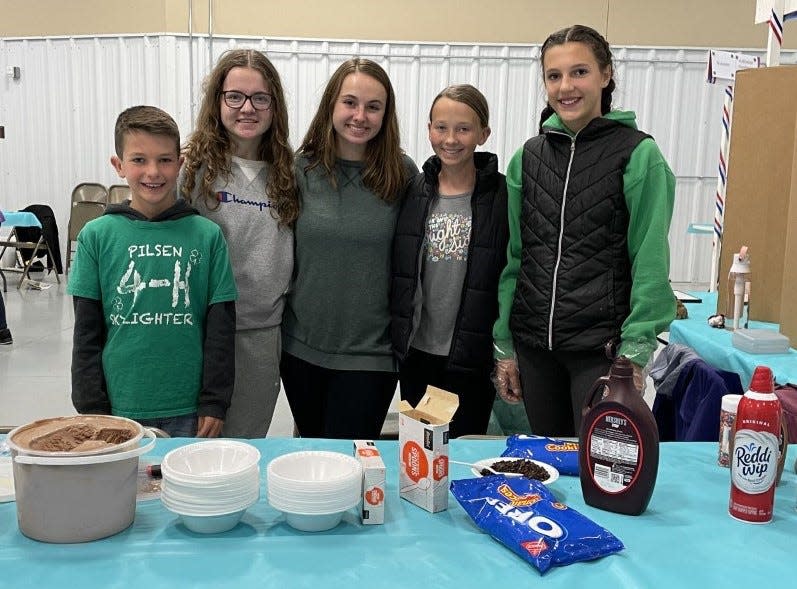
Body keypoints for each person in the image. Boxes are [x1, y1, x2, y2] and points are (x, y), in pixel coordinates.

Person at [492, 25, 676, 437]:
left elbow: (649, 261)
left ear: (606, 74)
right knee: (545, 468)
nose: (565, 87)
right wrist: (504, 343)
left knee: (598, 471)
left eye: (579, 72)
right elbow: (516, 259)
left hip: (601, 353)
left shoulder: (638, 155)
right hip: (535, 350)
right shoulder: (529, 157)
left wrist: (636, 352)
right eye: (554, 76)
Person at [69, 105, 238, 438]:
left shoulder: (207, 236)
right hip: (119, 409)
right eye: (138, 160)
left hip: (189, 410)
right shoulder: (96, 237)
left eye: (164, 159)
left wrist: (214, 402)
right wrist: (92, 408)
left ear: (180, 163)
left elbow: (220, 330)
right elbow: (86, 334)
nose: (153, 172)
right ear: (118, 166)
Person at [281, 57, 418, 439]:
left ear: (385, 115)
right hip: (301, 350)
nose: (360, 115)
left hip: (371, 356)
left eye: (373, 107)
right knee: (314, 459)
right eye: (350, 102)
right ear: (331, 106)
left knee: (352, 463)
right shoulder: (300, 170)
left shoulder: (403, 175)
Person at [181, 49, 298, 438]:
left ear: (273, 105)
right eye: (235, 96)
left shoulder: (290, 173)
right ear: (218, 101)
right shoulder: (190, 171)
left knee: (244, 448)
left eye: (260, 98)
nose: (247, 108)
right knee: (193, 450)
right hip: (200, 333)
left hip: (261, 337)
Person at [391, 84, 508, 437]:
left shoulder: (502, 197)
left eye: (464, 128)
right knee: (419, 449)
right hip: (416, 352)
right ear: (428, 129)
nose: (451, 139)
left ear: (483, 134)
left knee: (462, 450)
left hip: (472, 355)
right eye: (441, 127)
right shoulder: (413, 191)